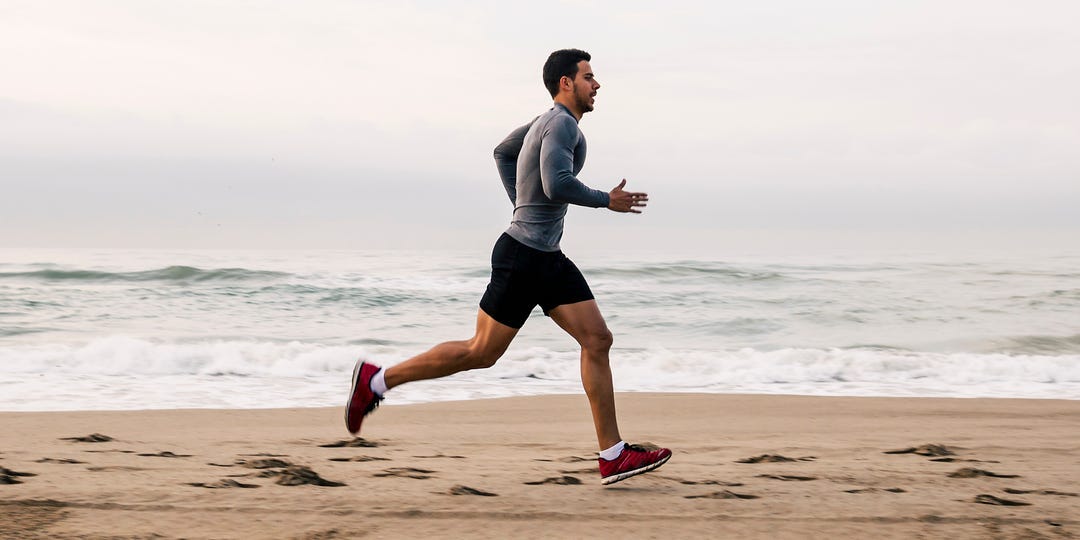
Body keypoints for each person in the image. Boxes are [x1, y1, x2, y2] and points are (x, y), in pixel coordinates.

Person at [346, 48, 671, 485]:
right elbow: (557, 184)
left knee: (597, 338)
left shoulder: (544, 123)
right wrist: (603, 200)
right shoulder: (561, 126)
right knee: (479, 352)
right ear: (566, 83)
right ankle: (377, 381)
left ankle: (612, 455)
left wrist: (522, 204)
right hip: (523, 257)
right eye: (589, 77)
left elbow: (503, 153)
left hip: (545, 257)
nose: (597, 85)